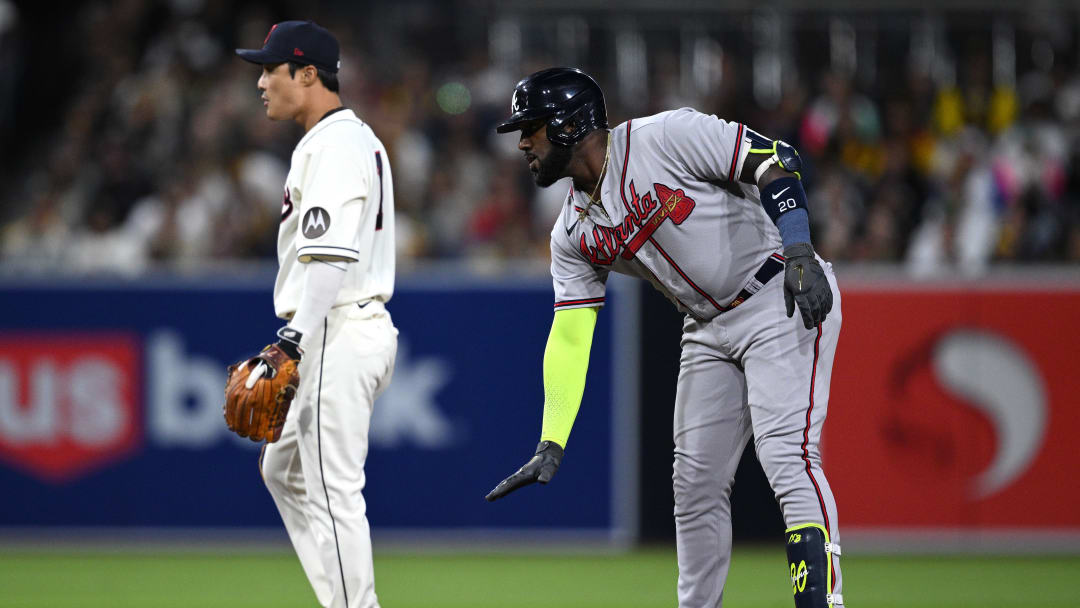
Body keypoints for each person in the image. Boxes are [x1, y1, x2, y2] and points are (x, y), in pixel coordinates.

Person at [485, 67, 845, 608]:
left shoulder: (664, 137)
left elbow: (775, 157)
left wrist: (798, 247)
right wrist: (552, 437)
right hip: (706, 324)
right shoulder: (571, 232)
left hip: (779, 289)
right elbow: (570, 335)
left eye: (530, 127)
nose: (523, 143)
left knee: (787, 457)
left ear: (566, 124)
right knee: (694, 485)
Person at [234, 21, 397, 608]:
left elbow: (328, 258)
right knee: (283, 471)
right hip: (340, 326)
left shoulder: (333, 145)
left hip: (338, 327)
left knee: (335, 493)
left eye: (269, 69)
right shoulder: (350, 139)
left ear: (307, 74)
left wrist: (292, 341)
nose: (261, 82)